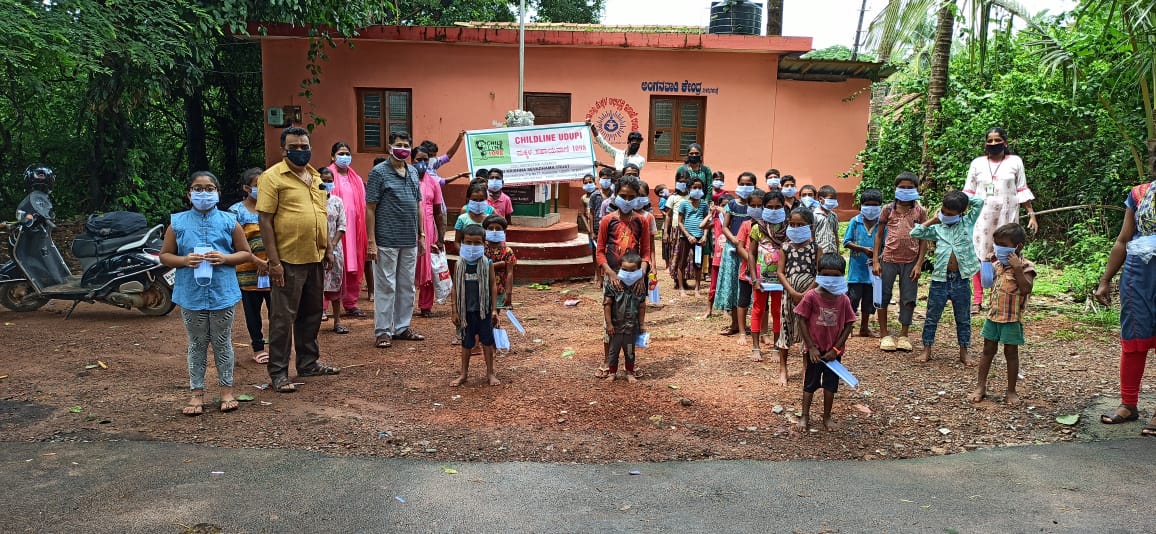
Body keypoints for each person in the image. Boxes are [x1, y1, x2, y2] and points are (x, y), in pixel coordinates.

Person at [160, 171, 253, 415]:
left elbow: (245, 252)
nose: (204, 193)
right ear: (189, 193)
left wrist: (224, 258)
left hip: (222, 292)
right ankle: (196, 394)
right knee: (197, 343)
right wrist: (183, 260)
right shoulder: (177, 223)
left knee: (222, 342)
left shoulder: (229, 221)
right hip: (190, 293)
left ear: (218, 193)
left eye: (209, 188)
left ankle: (226, 391)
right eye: (198, 189)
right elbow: (165, 255)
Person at [257, 127, 341, 393]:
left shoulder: (315, 177)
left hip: (315, 256)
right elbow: (265, 220)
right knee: (283, 317)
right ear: (284, 150)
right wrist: (274, 261)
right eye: (295, 146)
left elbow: (321, 215)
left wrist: (327, 249)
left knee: (312, 313)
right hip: (288, 259)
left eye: (305, 146)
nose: (301, 151)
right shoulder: (272, 177)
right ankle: (279, 372)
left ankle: (308, 362)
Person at [1095, 178, 1156, 432]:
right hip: (1139, 275)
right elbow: (1123, 240)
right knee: (1134, 338)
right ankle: (1128, 404)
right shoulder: (1140, 194)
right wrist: (1105, 280)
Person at [964, 127, 1038, 314]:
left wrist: (1031, 214)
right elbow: (969, 192)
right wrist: (960, 215)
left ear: (1005, 142)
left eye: (998, 140)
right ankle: (978, 298)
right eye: (990, 141)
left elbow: (1021, 189)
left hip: (1007, 215)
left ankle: (997, 294)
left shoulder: (1015, 162)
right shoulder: (977, 163)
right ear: (985, 144)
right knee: (980, 255)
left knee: (1003, 254)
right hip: (982, 217)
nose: (994, 144)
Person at [366, 131, 427, 349]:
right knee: (386, 286)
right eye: (399, 144)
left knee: (407, 286)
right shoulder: (378, 173)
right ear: (389, 146)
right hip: (386, 239)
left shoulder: (412, 171)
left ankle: (402, 327)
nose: (403, 148)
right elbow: (370, 208)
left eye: (406, 145)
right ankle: (383, 331)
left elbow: (418, 205)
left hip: (409, 238)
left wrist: (421, 234)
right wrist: (371, 240)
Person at [910, 191, 985, 365]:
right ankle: (926, 349)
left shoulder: (967, 222)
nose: (945, 215)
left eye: (950, 214)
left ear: (961, 212)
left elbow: (979, 202)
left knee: (963, 317)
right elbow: (915, 233)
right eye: (943, 211)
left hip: (961, 279)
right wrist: (933, 220)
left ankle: (964, 352)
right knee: (931, 317)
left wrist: (959, 197)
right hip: (939, 280)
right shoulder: (937, 228)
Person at [970, 223, 1036, 405]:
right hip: (993, 317)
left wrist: (1016, 268)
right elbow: (985, 283)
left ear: (1018, 246)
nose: (998, 247)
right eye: (996, 243)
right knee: (987, 351)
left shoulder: (1026, 266)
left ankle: (1011, 391)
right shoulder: (997, 265)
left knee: (1011, 353)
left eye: (1003, 244)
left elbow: (1025, 289)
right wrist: (985, 262)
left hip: (1012, 319)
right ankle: (980, 386)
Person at [594, 176, 652, 378]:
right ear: (615, 195)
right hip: (613, 279)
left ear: (637, 198)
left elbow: (646, 252)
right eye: (623, 196)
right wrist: (610, 274)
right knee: (610, 319)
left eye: (632, 197)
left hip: (635, 279)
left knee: (632, 320)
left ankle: (630, 363)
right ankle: (607, 361)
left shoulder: (641, 221)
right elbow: (600, 251)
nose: (627, 200)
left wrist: (641, 275)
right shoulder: (607, 221)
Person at [794, 253, 857, 432]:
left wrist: (836, 348)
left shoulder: (843, 299)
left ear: (842, 276)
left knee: (831, 385)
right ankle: (805, 415)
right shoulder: (811, 296)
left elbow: (849, 323)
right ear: (819, 273)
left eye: (836, 276)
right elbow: (801, 319)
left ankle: (827, 416)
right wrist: (811, 347)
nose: (831, 280)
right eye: (827, 275)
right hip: (815, 351)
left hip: (833, 353)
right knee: (810, 384)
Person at [871, 172, 927, 353]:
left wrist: (919, 264)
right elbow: (879, 236)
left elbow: (923, 240)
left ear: (916, 189)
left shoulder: (920, 211)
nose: (905, 190)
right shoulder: (888, 209)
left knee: (908, 297)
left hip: (911, 261)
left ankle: (904, 334)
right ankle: (884, 334)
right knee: (883, 296)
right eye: (902, 187)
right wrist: (875, 261)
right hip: (888, 259)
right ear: (896, 189)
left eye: (910, 187)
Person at [228, 167, 271, 364]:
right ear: (247, 188)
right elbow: (233, 243)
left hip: (273, 269)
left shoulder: (273, 207)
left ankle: (278, 346)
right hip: (247, 271)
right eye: (257, 186)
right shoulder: (235, 212)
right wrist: (255, 260)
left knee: (277, 311)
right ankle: (258, 346)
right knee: (252, 312)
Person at [776, 206, 822, 386]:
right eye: (792, 224)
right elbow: (780, 272)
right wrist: (794, 292)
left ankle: (805, 369)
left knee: (807, 330)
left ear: (810, 226)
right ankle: (783, 368)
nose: (795, 228)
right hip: (789, 295)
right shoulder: (785, 247)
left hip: (809, 297)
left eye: (800, 225)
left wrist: (806, 293)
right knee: (785, 327)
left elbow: (820, 273)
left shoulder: (815, 248)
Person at [450, 225, 501, 387]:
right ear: (463, 243)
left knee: (487, 342)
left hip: (483, 310)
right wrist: (454, 311)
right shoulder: (459, 264)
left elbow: (492, 285)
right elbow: (455, 288)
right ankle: (463, 374)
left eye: (477, 243)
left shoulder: (487, 264)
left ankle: (490, 373)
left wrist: (494, 309)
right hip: (466, 312)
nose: (472, 247)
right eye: (468, 242)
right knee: (466, 343)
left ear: (484, 244)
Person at [325, 142, 369, 319]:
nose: (344, 156)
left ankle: (351, 302)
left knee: (353, 264)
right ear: (333, 156)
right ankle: (323, 306)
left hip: (355, 228)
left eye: (347, 153)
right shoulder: (326, 176)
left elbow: (363, 204)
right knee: (331, 265)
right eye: (341, 153)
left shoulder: (356, 178)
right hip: (335, 228)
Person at [748, 190, 788, 361]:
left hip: (781, 279)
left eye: (777, 207)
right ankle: (755, 347)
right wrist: (754, 278)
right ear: (763, 208)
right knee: (758, 309)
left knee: (778, 311)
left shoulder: (788, 228)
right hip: (761, 278)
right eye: (769, 207)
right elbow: (751, 254)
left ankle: (776, 347)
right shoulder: (757, 228)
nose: (773, 210)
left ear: (783, 207)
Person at [713, 172, 754, 331]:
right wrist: (735, 240)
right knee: (732, 285)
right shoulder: (732, 205)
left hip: (749, 250)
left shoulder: (756, 205)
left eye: (748, 184)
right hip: (732, 249)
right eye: (742, 184)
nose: (745, 187)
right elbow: (725, 227)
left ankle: (747, 324)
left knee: (746, 285)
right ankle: (734, 324)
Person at [413, 145, 448, 318]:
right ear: (411, 160)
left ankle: (425, 305)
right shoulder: (406, 179)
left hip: (428, 228)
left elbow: (438, 212)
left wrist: (441, 239)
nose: (422, 163)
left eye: (425, 160)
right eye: (418, 159)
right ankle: (403, 306)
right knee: (408, 267)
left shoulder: (433, 182)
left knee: (429, 266)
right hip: (407, 227)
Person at [842, 188, 882, 338]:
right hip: (856, 271)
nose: (871, 208)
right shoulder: (855, 221)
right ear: (861, 205)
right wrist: (863, 249)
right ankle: (849, 327)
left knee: (869, 300)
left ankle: (864, 327)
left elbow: (885, 244)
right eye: (867, 204)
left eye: (875, 205)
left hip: (873, 270)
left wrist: (878, 257)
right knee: (852, 299)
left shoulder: (881, 224)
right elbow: (846, 242)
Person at [603, 251, 648, 383]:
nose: (628, 273)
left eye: (632, 270)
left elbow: (642, 306)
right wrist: (609, 324)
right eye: (624, 270)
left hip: (631, 327)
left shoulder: (639, 286)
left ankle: (629, 372)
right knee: (613, 351)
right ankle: (612, 372)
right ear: (619, 268)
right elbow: (607, 305)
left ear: (639, 271)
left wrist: (642, 324)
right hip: (615, 328)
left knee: (630, 351)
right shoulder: (613, 285)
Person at [319, 168, 349, 334]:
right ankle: (315, 320)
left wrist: (332, 244)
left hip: (335, 249)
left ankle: (337, 321)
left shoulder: (337, 201)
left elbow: (342, 225)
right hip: (316, 249)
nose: (327, 183)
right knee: (317, 286)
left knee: (335, 284)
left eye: (330, 180)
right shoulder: (313, 201)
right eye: (323, 180)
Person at [675, 177, 709, 297]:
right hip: (686, 237)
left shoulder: (704, 204)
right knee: (682, 262)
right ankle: (681, 289)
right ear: (689, 189)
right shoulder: (684, 204)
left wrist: (704, 236)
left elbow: (706, 222)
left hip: (699, 238)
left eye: (700, 187)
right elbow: (680, 222)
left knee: (698, 263)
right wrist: (688, 235)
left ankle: (697, 289)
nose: (697, 190)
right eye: (695, 187)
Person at [483, 215, 517, 309]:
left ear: (504, 232)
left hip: (500, 289)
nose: (494, 231)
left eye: (498, 229)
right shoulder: (481, 249)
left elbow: (510, 273)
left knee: (495, 315)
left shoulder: (507, 251)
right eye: (490, 228)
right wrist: (500, 264)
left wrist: (509, 294)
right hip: (482, 288)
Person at [665, 169, 691, 288]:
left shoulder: (691, 196)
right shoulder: (672, 197)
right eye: (680, 181)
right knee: (676, 254)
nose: (682, 183)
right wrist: (666, 231)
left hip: (689, 230)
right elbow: (668, 215)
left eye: (685, 181)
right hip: (676, 230)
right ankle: (676, 279)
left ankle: (684, 279)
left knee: (687, 255)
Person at [454, 180, 495, 245]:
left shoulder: (489, 217)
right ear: (468, 199)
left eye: (481, 200)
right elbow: (457, 241)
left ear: (486, 199)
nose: (478, 203)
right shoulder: (462, 218)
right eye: (474, 200)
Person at [580, 174, 600, 280]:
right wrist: (588, 229)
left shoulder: (599, 195)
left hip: (599, 225)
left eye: (590, 182)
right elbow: (582, 214)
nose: (588, 184)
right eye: (586, 182)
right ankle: (596, 273)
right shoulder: (583, 198)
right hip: (590, 228)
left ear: (595, 183)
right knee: (593, 250)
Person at [814, 185, 840, 255]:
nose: (833, 201)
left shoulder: (834, 216)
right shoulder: (815, 215)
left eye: (835, 199)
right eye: (831, 199)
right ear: (820, 199)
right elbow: (812, 234)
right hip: (819, 252)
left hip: (832, 251)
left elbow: (836, 234)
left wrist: (838, 251)